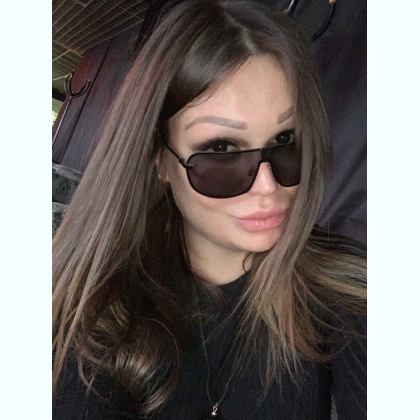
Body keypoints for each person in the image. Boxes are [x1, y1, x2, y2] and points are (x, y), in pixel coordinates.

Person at [52, 1, 367, 419]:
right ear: (159, 158)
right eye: (220, 149)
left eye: (286, 140)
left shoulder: (349, 289)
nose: (268, 186)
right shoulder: (95, 306)